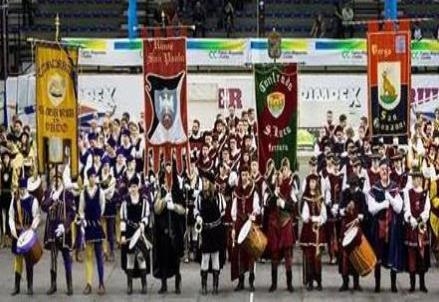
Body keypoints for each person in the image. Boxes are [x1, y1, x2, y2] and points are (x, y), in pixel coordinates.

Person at [367, 159, 404, 293]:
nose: (384, 172)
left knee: (392, 254)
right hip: (379, 226)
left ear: (389, 171)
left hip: (392, 227)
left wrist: (391, 199)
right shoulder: (375, 188)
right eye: (382, 169)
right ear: (379, 172)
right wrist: (383, 204)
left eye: (386, 170)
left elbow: (399, 208)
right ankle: (377, 285)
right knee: (378, 255)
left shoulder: (394, 187)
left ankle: (393, 285)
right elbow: (371, 208)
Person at [153, 160, 186, 294]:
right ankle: (164, 283)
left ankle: (177, 283)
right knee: (163, 257)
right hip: (162, 229)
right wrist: (163, 201)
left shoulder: (177, 189)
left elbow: (183, 209)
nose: (167, 168)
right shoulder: (160, 189)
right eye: (165, 165)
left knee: (175, 257)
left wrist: (174, 207)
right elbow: (155, 209)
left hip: (175, 229)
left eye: (169, 165)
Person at [265, 159, 297, 292]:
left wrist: (283, 204)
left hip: (285, 223)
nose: (281, 175)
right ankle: (274, 284)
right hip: (274, 224)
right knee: (274, 254)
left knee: (287, 255)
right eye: (278, 174)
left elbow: (293, 206)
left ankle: (289, 284)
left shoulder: (290, 188)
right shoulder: (271, 189)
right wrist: (274, 197)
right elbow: (266, 205)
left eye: (284, 172)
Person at [41, 175, 76, 296]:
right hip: (52, 230)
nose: (56, 182)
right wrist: (52, 197)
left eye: (58, 180)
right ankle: (53, 285)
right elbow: (44, 207)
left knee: (67, 258)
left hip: (64, 231)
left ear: (61, 181)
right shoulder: (48, 193)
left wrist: (65, 226)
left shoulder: (68, 194)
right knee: (53, 259)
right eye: (54, 180)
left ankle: (69, 285)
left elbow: (72, 213)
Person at [194, 171, 226, 295]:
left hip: (216, 230)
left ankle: (215, 286)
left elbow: (223, 211)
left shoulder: (218, 197)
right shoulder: (199, 196)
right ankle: (204, 286)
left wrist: (215, 222)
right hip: (205, 231)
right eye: (203, 181)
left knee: (215, 257)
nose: (204, 183)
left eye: (206, 181)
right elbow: (196, 210)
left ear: (211, 183)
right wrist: (198, 217)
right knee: (205, 257)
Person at [9, 177, 41, 295]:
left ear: (26, 188)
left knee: (29, 261)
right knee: (18, 260)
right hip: (17, 234)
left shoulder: (33, 200)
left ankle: (30, 286)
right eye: (20, 188)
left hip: (28, 233)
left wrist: (32, 228)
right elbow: (11, 216)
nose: (21, 191)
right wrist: (12, 229)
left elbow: (37, 216)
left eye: (23, 189)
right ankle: (16, 286)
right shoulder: (15, 200)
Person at [231, 165, 261, 291]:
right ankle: (241, 281)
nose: (244, 177)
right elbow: (233, 211)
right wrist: (233, 226)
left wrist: (253, 215)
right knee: (239, 254)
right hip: (239, 224)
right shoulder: (236, 191)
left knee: (250, 254)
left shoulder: (253, 189)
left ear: (249, 175)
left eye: (246, 174)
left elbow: (257, 207)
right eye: (242, 175)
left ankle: (251, 281)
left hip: (249, 224)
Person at [120, 176, 151, 295]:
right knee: (130, 259)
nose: (133, 189)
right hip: (129, 233)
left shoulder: (144, 202)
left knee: (141, 258)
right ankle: (129, 285)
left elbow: (147, 216)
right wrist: (122, 235)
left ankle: (144, 285)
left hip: (140, 233)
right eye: (131, 187)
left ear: (138, 187)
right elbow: (123, 219)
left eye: (134, 186)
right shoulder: (125, 202)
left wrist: (143, 224)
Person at [338, 175, 369, 291]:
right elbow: (340, 209)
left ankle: (356, 282)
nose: (352, 188)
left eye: (354, 186)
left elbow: (365, 211)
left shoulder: (361, 195)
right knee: (344, 255)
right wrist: (345, 209)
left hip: (356, 228)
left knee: (356, 254)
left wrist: (360, 216)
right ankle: (345, 282)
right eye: (350, 186)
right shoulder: (344, 193)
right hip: (346, 227)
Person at [79, 167, 106, 295]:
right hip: (88, 226)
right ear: (88, 178)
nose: (93, 179)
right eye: (91, 176)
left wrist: (99, 217)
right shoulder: (83, 193)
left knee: (99, 256)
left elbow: (102, 205)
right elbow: (81, 209)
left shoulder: (100, 192)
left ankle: (101, 283)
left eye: (94, 176)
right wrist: (83, 222)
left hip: (97, 225)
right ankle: (88, 283)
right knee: (88, 256)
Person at [403, 170, 430, 292]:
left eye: (418, 178)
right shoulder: (408, 193)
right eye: (414, 179)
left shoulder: (425, 193)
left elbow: (427, 210)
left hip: (421, 229)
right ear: (412, 180)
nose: (416, 181)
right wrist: (412, 220)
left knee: (421, 255)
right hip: (412, 228)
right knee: (412, 255)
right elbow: (407, 209)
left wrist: (420, 219)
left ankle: (422, 284)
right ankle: (412, 284)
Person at [300, 174, 327, 291]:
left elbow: (324, 215)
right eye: (310, 182)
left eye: (314, 182)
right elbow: (304, 216)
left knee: (318, 257)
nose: (312, 184)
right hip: (308, 231)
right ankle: (310, 280)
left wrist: (319, 219)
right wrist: (311, 218)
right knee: (309, 257)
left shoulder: (320, 198)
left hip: (318, 230)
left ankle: (319, 281)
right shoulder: (305, 198)